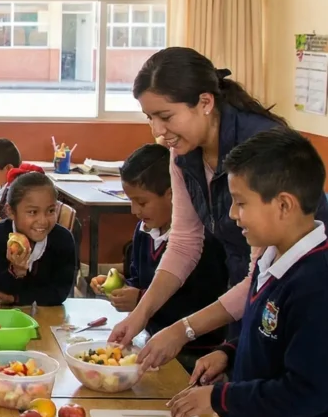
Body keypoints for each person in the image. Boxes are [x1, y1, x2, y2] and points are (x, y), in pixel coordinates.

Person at [112, 48, 328, 365]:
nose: (158, 132)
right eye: (150, 119)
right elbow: (185, 242)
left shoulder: (258, 152)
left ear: (205, 103)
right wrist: (142, 314)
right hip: (245, 291)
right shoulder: (183, 152)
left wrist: (183, 330)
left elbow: (260, 275)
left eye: (166, 117)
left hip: (292, 296)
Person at [164, 128, 328, 417]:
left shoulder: (317, 283)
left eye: (241, 203)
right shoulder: (274, 260)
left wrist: (217, 398)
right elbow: (270, 334)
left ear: (285, 205)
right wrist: (228, 353)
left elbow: (306, 391)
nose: (233, 216)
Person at [91, 144, 226, 371]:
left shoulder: (204, 242)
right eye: (131, 200)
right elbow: (140, 279)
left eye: (142, 202)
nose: (134, 210)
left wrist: (140, 298)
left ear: (173, 194)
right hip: (152, 342)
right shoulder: (144, 232)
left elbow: (204, 304)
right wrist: (123, 287)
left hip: (194, 353)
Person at [0, 172, 76, 307]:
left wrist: (16, 298)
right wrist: (15, 271)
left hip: (45, 316)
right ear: (10, 211)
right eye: (32, 212)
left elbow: (59, 292)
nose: (43, 221)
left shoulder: (63, 240)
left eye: (50, 211)